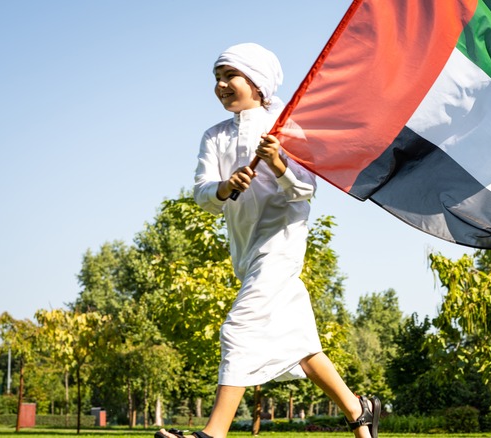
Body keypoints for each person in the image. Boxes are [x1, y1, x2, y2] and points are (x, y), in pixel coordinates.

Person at [155, 43, 380, 438]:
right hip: (244, 250)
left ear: (257, 83)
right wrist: (225, 187)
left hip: (281, 244)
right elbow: (202, 193)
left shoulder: (289, 125)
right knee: (303, 346)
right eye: (217, 79)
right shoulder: (214, 136)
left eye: (230, 76)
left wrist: (278, 164)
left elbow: (305, 191)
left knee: (239, 327)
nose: (221, 85)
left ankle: (215, 432)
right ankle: (359, 413)